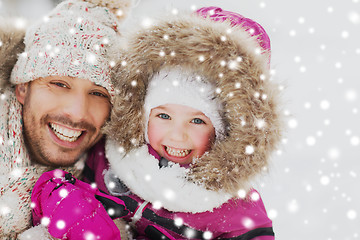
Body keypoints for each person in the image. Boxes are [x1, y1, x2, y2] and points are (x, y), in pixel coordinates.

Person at [84, 6, 282, 239]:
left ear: (228, 133)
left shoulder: (237, 214)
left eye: (197, 120)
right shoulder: (110, 159)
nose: (177, 135)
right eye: (164, 116)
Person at [0, 0, 133, 238]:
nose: (77, 112)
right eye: (59, 84)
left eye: (98, 93)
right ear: (22, 88)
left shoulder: (118, 191)